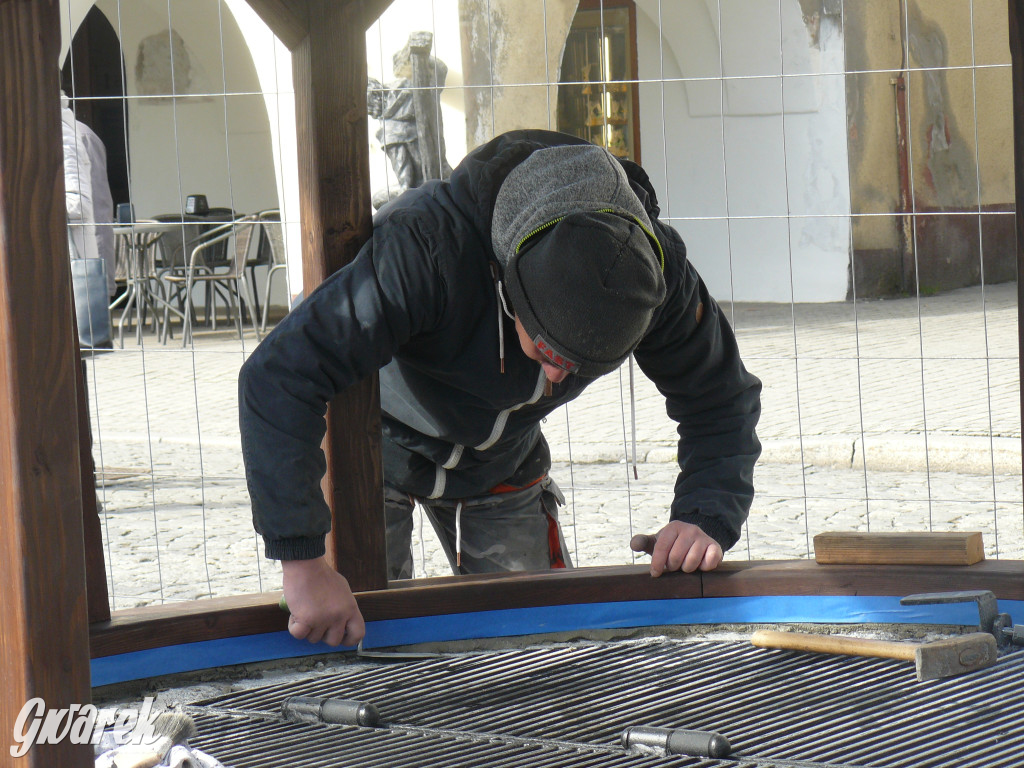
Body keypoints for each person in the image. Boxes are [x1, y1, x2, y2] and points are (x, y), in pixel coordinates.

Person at [238, 129, 762, 647]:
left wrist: (704, 516)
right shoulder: (426, 248)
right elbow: (279, 375)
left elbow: (719, 397)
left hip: (502, 462)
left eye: (585, 367)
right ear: (508, 289)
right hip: (377, 448)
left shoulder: (653, 276)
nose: (558, 379)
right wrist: (303, 564)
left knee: (545, 650)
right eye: (552, 354)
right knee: (358, 641)